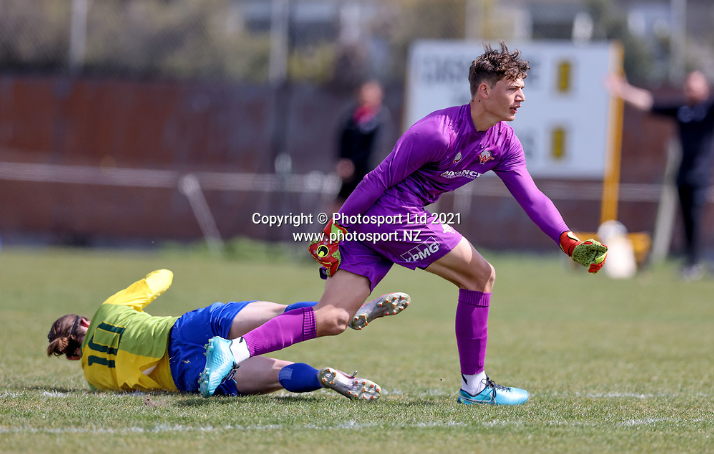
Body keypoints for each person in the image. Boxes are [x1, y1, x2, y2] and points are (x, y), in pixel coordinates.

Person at [200, 42, 608, 405]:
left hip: (380, 226)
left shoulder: (503, 141)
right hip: (393, 216)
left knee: (334, 318)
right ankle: (475, 387)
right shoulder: (437, 132)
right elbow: (376, 179)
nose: (521, 97)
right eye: (513, 89)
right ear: (485, 91)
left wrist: (567, 239)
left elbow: (531, 196)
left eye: (522, 89)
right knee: (481, 276)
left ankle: (232, 351)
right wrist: (337, 228)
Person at [46, 269, 407, 400]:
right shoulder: (109, 310)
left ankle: (323, 377)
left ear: (73, 354)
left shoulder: (93, 377)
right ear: (86, 322)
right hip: (186, 327)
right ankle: (347, 310)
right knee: (280, 313)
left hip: (183, 371)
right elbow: (162, 276)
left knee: (279, 373)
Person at [606, 70, 714, 281]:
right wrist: (623, 90)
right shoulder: (682, 109)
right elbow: (649, 103)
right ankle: (692, 262)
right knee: (686, 220)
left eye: (694, 85)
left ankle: (694, 263)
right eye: (687, 85)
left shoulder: (709, 110)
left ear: (705, 88)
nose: (689, 89)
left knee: (695, 218)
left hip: (700, 176)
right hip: (682, 173)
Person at [334, 80, 391, 211]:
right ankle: (333, 232)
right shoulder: (351, 116)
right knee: (337, 212)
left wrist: (357, 166)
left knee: (365, 214)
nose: (363, 95)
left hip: (368, 176)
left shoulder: (381, 119)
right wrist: (343, 163)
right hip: (349, 177)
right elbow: (343, 140)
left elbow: (376, 150)